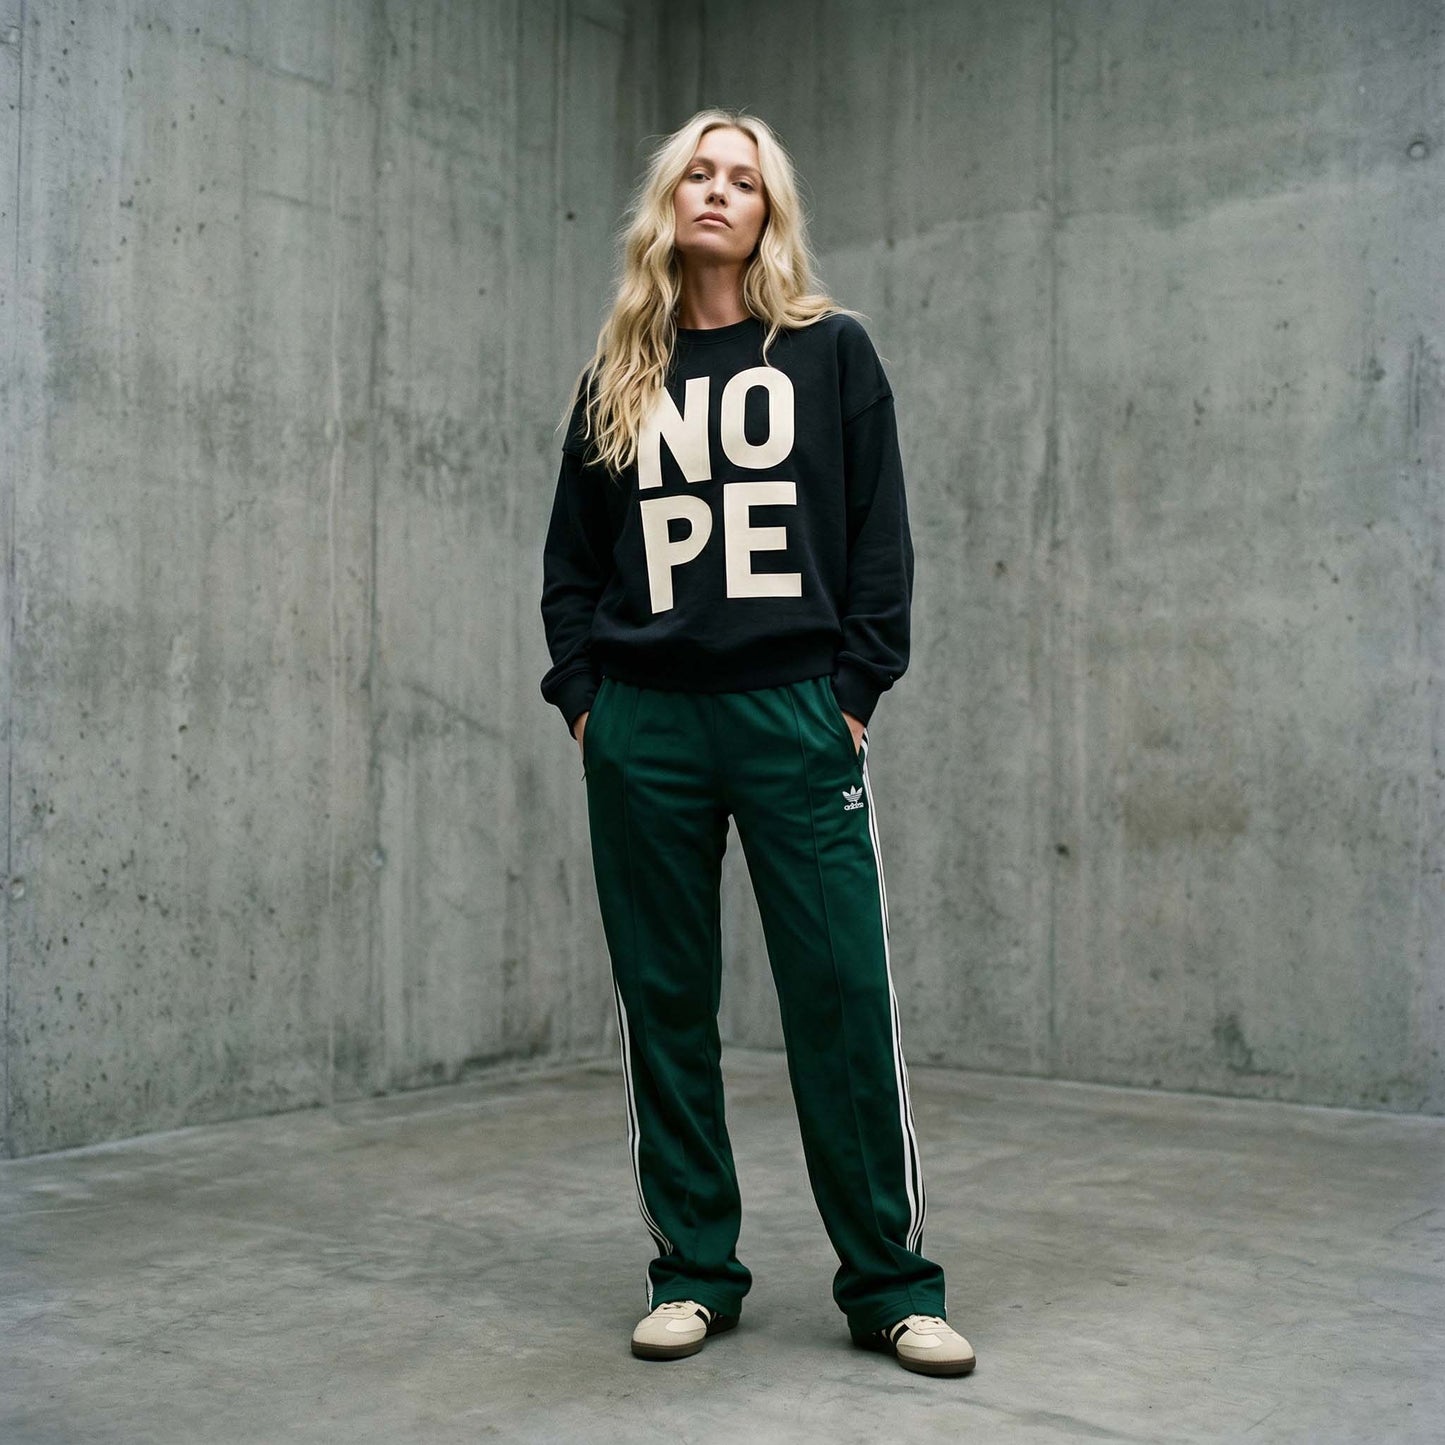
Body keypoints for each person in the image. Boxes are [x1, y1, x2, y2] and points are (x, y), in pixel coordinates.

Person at [538, 108, 975, 1379]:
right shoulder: (617, 373)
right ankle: (692, 1270)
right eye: (698, 173)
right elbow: (570, 564)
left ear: (769, 211)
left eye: (743, 179)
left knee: (839, 1002)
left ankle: (891, 1284)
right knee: (665, 1005)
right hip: (645, 726)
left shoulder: (830, 354)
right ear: (666, 201)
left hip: (794, 716)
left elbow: (878, 541)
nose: (718, 193)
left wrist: (851, 692)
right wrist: (587, 701)